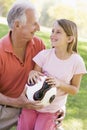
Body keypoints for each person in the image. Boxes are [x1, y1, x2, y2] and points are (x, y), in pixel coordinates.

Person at [17, 19, 87, 130]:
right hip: (31, 105)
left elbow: (74, 90)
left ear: (69, 39)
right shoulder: (44, 55)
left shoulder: (77, 62)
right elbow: (35, 76)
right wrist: (32, 73)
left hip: (51, 110)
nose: (53, 35)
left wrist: (59, 83)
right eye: (52, 31)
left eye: (58, 32)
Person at [0, 1, 46, 130]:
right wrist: (16, 102)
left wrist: (59, 107)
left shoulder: (39, 45)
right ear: (17, 25)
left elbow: (50, 77)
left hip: (33, 109)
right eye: (34, 23)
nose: (39, 27)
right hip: (6, 109)